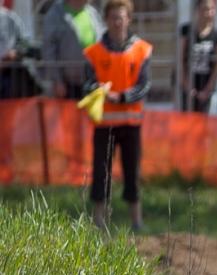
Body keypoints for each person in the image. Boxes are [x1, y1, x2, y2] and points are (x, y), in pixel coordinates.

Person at [81, 0, 152, 232]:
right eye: (113, 17)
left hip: (131, 123)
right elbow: (87, 84)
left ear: (128, 19)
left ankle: (137, 221)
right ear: (106, 20)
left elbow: (144, 85)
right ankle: (98, 221)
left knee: (133, 173)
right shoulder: (93, 52)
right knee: (101, 172)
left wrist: (120, 97)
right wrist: (99, 90)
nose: (117, 22)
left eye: (121, 17)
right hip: (104, 124)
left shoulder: (142, 49)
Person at [41, 0, 104, 100]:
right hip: (68, 84)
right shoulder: (55, 14)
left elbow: (102, 41)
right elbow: (49, 51)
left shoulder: (92, 12)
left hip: (94, 80)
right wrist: (57, 80)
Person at [179, 0, 217, 113]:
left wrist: (208, 90)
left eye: (212, 9)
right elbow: (179, 59)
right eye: (206, 9)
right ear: (198, 10)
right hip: (187, 88)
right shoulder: (186, 31)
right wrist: (187, 86)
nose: (209, 13)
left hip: (206, 89)